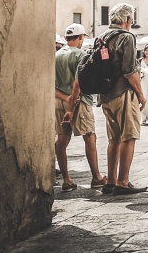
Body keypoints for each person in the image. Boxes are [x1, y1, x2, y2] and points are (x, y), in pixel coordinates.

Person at [100, 3, 147, 195]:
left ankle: (110, 180)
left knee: (114, 139)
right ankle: (123, 182)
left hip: (106, 95)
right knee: (129, 136)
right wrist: (142, 96)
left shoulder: (102, 37)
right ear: (128, 20)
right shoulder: (127, 37)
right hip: (123, 93)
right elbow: (129, 72)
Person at [54, 24, 106, 191]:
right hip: (79, 101)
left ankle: (67, 180)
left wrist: (65, 97)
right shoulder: (82, 55)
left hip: (59, 100)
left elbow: (50, 86)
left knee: (61, 140)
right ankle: (97, 177)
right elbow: (79, 83)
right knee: (89, 137)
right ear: (81, 37)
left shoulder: (56, 55)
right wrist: (72, 102)